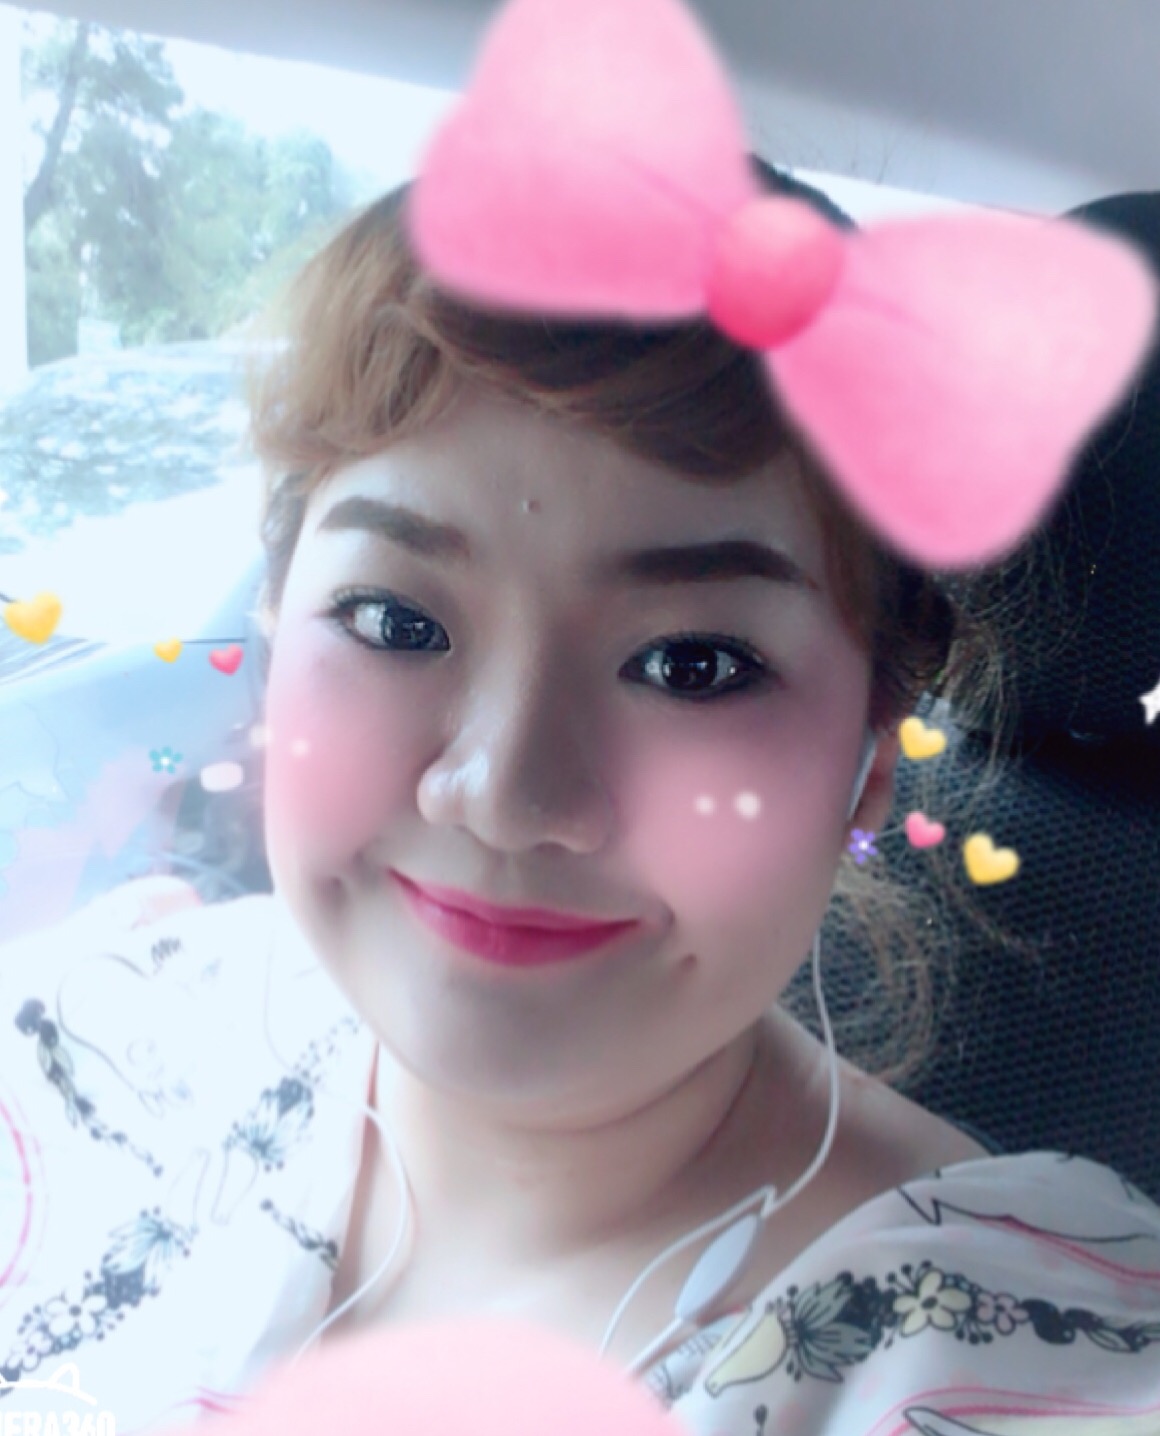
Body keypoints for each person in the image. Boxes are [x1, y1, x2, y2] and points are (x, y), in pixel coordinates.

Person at [3, 8, 1160, 1433]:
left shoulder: (1007, 1353)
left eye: (694, 666)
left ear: (870, 757)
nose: (503, 790)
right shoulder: (120, 1034)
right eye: (396, 624)